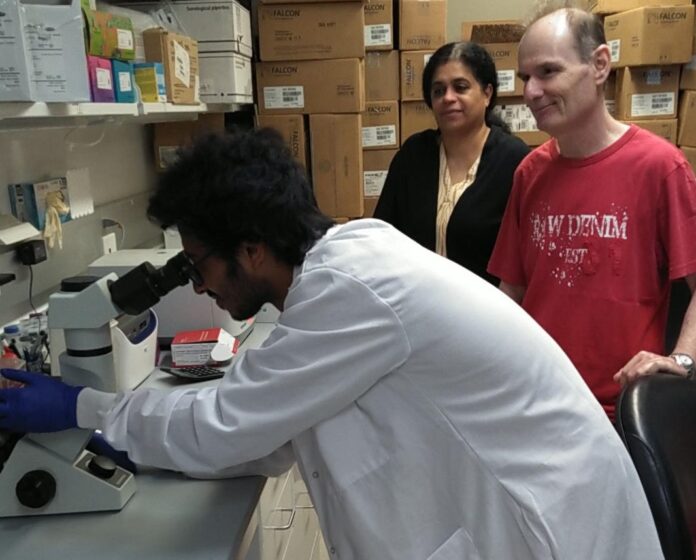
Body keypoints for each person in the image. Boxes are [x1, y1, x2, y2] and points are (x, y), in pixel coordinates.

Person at [0, 129, 662, 559]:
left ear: (252, 250)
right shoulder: (345, 267)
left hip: (555, 533)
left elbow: (228, 425)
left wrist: (84, 410)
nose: (197, 287)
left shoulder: (349, 291)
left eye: (197, 263)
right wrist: (127, 434)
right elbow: (265, 430)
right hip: (537, 509)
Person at [488, 1, 696, 420]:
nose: (530, 92)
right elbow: (511, 293)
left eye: (548, 72)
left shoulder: (659, 166)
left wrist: (682, 360)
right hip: (535, 402)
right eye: (525, 77)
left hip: (616, 414)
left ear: (600, 65)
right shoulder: (530, 172)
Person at [374, 41, 530, 284]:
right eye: (438, 91)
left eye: (460, 87)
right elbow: (383, 237)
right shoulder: (413, 156)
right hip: (416, 307)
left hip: (485, 312)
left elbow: (523, 261)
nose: (448, 98)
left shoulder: (513, 160)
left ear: (487, 94)